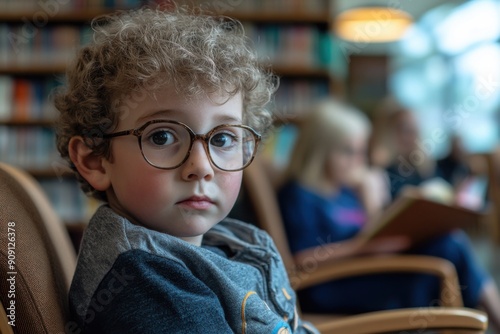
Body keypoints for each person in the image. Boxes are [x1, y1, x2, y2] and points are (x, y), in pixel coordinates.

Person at [54, 7, 318, 333]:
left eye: (222, 138)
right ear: (95, 160)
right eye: (161, 136)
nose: (201, 167)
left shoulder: (217, 241)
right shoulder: (147, 287)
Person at [277, 98, 500, 331]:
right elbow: (299, 261)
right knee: (447, 258)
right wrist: (364, 247)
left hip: (369, 270)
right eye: (347, 152)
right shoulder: (299, 195)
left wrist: (371, 199)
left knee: (448, 244)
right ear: (319, 151)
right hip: (332, 285)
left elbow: (373, 229)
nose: (358, 161)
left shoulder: (346, 192)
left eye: (361, 151)